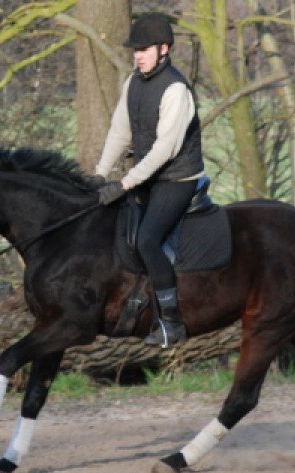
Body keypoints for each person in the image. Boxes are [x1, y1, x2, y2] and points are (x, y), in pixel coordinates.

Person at [93, 12, 205, 348]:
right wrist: (99, 174)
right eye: (135, 50)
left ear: (164, 49)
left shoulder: (176, 91)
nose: (137, 55)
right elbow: (120, 132)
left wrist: (126, 183)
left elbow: (165, 149)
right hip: (147, 176)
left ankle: (171, 323)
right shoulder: (133, 84)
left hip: (177, 178)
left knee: (146, 240)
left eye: (143, 49)